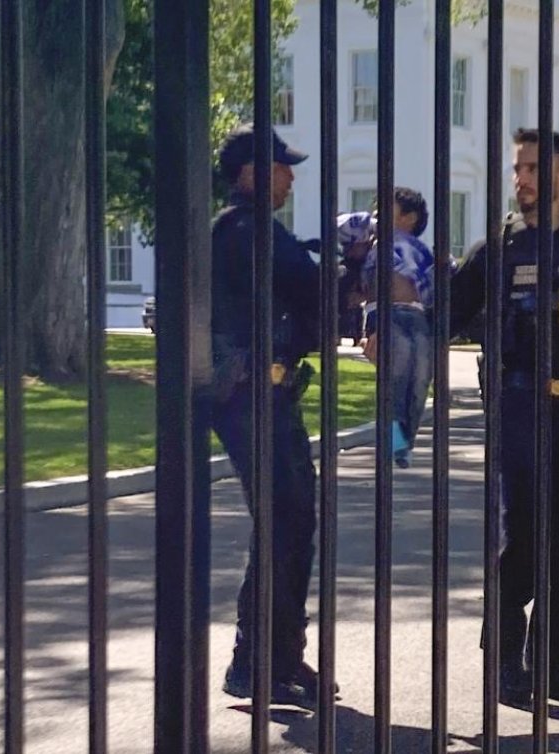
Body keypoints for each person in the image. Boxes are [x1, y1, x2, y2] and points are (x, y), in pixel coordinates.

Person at [449, 128, 559, 707]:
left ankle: (551, 664)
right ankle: (504, 659)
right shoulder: (496, 250)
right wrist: (390, 331)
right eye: (517, 168)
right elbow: (445, 313)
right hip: (521, 408)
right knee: (522, 540)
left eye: (531, 168)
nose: (521, 179)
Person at [209, 123, 330, 708]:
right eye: (282, 167)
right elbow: (311, 293)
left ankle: (279, 657)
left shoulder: (252, 231)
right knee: (284, 520)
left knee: (293, 521)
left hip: (270, 394)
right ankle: (252, 660)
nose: (290, 176)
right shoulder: (247, 230)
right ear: (252, 174)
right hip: (249, 396)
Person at [344, 188, 436, 468]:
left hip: (417, 314)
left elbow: (440, 280)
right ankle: (393, 437)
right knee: (397, 369)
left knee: (420, 376)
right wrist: (370, 225)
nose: (377, 214)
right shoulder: (372, 241)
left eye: (386, 209)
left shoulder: (419, 248)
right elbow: (338, 227)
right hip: (384, 313)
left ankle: (405, 438)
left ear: (410, 218)